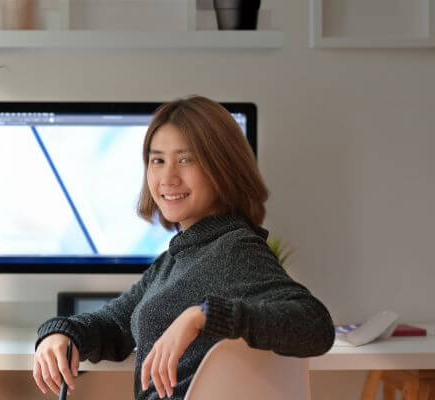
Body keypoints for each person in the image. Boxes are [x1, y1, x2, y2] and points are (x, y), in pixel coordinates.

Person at [32, 95, 335, 399]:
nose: (168, 177)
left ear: (222, 168)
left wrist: (202, 316)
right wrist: (59, 332)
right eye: (158, 160)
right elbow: (113, 323)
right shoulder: (174, 260)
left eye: (186, 160)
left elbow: (315, 324)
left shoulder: (236, 249)